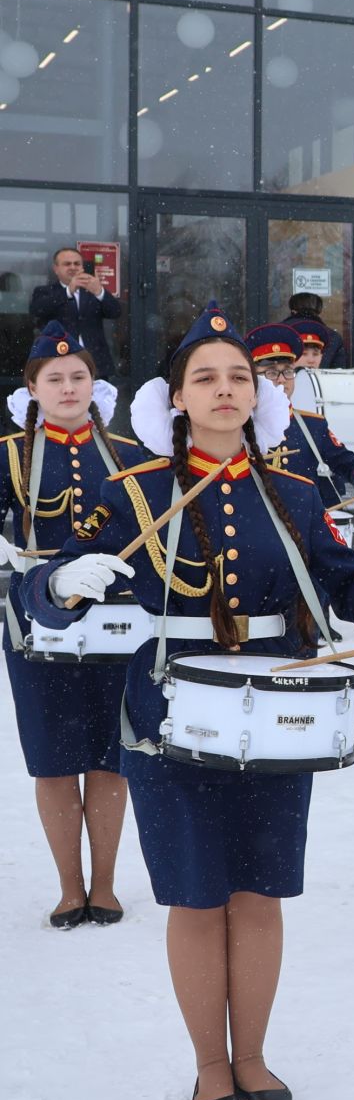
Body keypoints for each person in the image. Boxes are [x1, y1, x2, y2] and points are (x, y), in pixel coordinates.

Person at [24, 300, 354, 1100]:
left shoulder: (291, 488)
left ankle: (255, 1055)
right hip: (168, 714)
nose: (224, 390)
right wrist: (62, 585)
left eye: (239, 377)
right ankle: (212, 1063)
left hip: (277, 710)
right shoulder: (134, 487)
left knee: (260, 893)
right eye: (204, 377)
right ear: (174, 398)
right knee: (199, 896)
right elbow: (53, 575)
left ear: (258, 395)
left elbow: (345, 573)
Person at [1, 322, 142, 928]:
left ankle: (105, 884)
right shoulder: (10, 454)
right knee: (54, 761)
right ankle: (68, 887)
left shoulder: (131, 456)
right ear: (32, 388)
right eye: (53, 379)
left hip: (116, 629)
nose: (67, 387)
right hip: (38, 627)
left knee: (111, 758)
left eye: (78, 376)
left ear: (95, 384)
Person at [245, 324, 354, 510]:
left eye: (288, 371)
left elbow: (344, 460)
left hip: (301, 527)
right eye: (272, 372)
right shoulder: (237, 426)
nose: (282, 379)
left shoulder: (312, 425)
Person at [29, 247, 121, 382]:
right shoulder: (45, 291)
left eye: (77, 264)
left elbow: (115, 312)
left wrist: (100, 292)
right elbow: (37, 310)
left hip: (94, 363)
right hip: (57, 361)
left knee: (97, 403)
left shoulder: (92, 291)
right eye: (67, 264)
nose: (73, 267)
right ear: (56, 269)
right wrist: (68, 291)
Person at [284, 294, 346, 367]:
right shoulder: (333, 337)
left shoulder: (279, 332)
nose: (310, 360)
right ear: (318, 312)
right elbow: (338, 371)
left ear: (293, 311)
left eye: (315, 354)